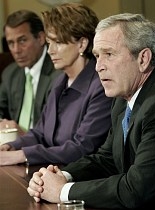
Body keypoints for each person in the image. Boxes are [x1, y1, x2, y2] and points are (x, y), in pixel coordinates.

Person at [27, 13, 155, 210]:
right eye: (97, 56)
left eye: (109, 54)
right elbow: (107, 158)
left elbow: (137, 189)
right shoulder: (123, 96)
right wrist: (59, 176)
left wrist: (62, 192)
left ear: (143, 58)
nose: (99, 67)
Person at [0, 3, 112, 166]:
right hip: (49, 171)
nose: (50, 50)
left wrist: (22, 155)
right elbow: (40, 133)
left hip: (80, 179)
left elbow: (81, 148)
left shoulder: (100, 86)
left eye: (58, 42)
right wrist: (10, 146)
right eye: (49, 42)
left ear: (82, 44)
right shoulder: (60, 81)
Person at [0, 10, 61, 135]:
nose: (16, 50)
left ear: (41, 38)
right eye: (11, 43)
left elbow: (54, 131)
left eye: (22, 41)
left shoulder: (59, 74)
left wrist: (24, 136)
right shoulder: (10, 73)